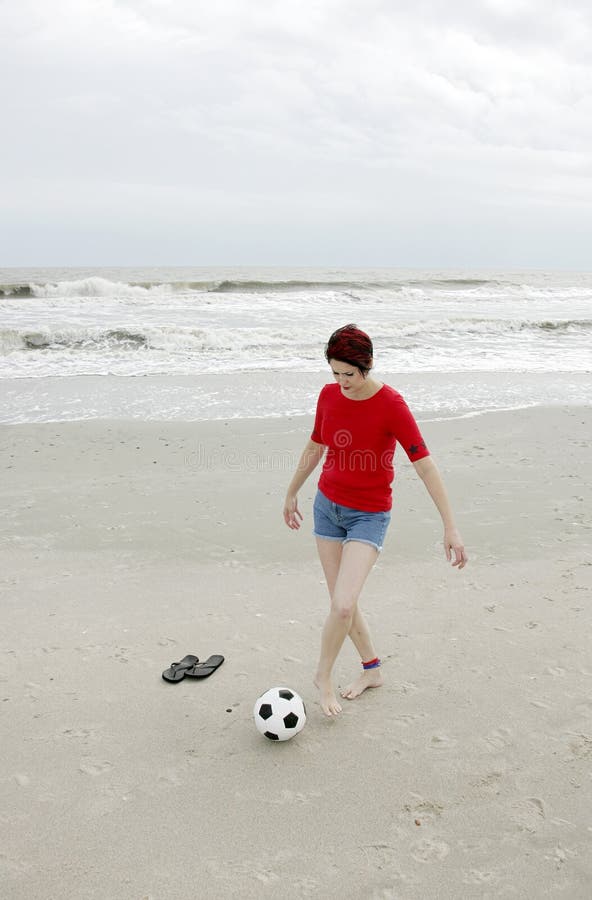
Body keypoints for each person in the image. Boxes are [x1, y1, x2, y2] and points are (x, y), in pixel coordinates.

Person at [283, 324, 467, 717]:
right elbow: (316, 444)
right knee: (342, 603)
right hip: (327, 507)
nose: (341, 382)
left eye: (348, 374)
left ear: (367, 366)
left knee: (343, 605)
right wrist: (291, 491)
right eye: (335, 373)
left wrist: (450, 526)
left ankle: (322, 676)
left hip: (369, 515)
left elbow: (425, 465)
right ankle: (372, 669)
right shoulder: (329, 395)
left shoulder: (391, 404)